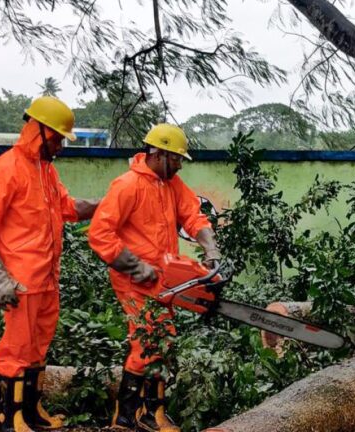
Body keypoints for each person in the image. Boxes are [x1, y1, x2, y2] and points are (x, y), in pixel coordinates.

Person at [0, 96, 100, 432]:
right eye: (56, 139)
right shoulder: (7, 169)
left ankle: (32, 413)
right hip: (20, 281)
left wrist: (105, 205)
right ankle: (9, 421)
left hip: (47, 279)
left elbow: (69, 208)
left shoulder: (46, 172)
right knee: (16, 350)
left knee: (38, 349)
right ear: (38, 131)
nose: (60, 147)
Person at [88, 123, 221, 432]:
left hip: (163, 278)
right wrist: (136, 267)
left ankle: (153, 414)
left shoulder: (171, 185)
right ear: (158, 153)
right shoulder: (127, 185)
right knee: (145, 342)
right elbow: (100, 234)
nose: (178, 164)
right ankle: (126, 418)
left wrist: (209, 245)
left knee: (162, 339)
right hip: (133, 279)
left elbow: (193, 214)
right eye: (175, 159)